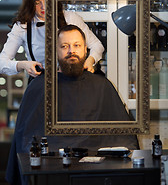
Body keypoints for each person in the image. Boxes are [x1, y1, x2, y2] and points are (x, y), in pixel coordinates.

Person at [6, 25, 139, 185]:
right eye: (64, 46)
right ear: (56, 51)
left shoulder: (102, 86)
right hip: (52, 174)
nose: (71, 51)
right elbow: (24, 141)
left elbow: (125, 139)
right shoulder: (39, 87)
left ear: (85, 50)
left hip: (96, 174)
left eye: (77, 45)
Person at [0, 0, 104, 78]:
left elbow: (97, 45)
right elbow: (2, 63)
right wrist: (23, 64)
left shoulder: (70, 18)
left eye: (46, 1)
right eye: (37, 3)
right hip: (41, 83)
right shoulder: (22, 26)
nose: (43, 7)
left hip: (72, 79)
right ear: (30, 3)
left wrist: (90, 60)